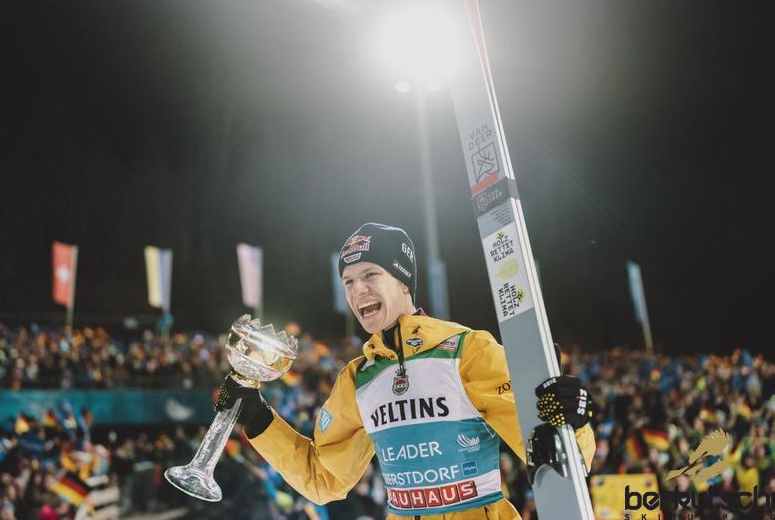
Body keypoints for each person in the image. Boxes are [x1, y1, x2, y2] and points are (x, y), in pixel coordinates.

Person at [215, 222, 596, 518]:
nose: (357, 290)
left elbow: (554, 455)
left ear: (403, 282)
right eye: (348, 281)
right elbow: (324, 480)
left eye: (370, 275)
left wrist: (570, 422)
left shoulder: (466, 350)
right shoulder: (358, 378)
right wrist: (259, 421)